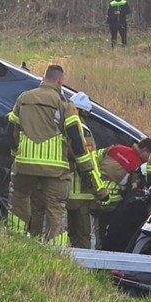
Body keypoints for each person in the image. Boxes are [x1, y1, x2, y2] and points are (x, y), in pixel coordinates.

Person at [6, 65, 101, 244]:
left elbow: (11, 130)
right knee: (56, 209)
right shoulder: (64, 105)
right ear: (60, 81)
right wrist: (86, 169)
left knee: (19, 200)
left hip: (24, 164)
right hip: (55, 170)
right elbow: (76, 139)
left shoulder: (23, 98)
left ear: (44, 78)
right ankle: (57, 253)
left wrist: (15, 156)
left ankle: (14, 241)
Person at [94, 138, 151, 246]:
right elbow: (134, 190)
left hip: (93, 190)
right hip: (110, 201)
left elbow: (95, 158)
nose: (150, 160)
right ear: (145, 151)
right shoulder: (136, 165)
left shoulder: (115, 148)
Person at [65, 92, 107, 249]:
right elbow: (90, 163)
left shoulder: (61, 127)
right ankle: (87, 271)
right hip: (83, 195)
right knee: (87, 238)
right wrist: (100, 191)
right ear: (84, 112)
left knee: (69, 237)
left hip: (64, 193)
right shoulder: (84, 131)